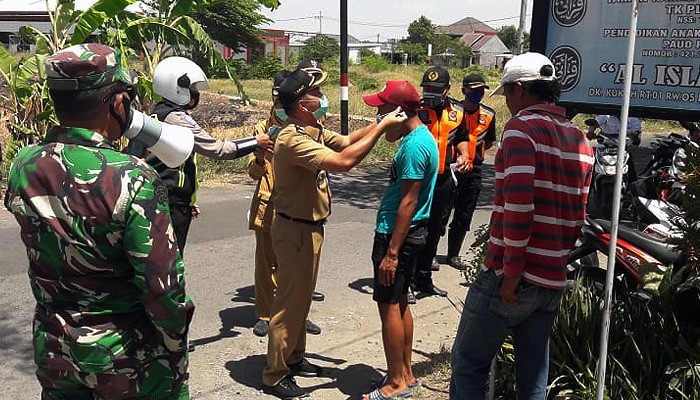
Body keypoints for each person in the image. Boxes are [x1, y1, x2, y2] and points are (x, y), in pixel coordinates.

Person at [3, 43, 194, 399]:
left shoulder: (24, 164)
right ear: (118, 102)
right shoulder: (132, 176)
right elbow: (162, 287)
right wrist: (175, 341)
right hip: (124, 358)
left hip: (55, 350)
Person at [449, 52, 594, 399]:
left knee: (468, 364)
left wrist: (511, 272)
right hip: (550, 278)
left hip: (511, 276)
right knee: (533, 376)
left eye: (508, 94)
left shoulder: (521, 130)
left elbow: (518, 207)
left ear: (518, 89)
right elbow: (577, 217)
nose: (509, 104)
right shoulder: (580, 140)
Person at [261, 68, 407, 399]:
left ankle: (294, 358)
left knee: (301, 300)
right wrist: (383, 126)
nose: (320, 98)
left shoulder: (312, 129)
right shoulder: (292, 138)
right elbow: (343, 161)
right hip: (293, 228)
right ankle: (274, 373)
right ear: (302, 103)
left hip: (308, 228)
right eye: (315, 93)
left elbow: (345, 141)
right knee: (288, 302)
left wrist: (380, 121)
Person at [130, 56, 273, 256]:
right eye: (193, 88)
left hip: (157, 196)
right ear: (178, 87)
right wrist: (255, 142)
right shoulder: (177, 118)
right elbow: (219, 150)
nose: (196, 93)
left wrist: (188, 200)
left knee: (156, 256)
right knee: (170, 261)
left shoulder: (154, 114)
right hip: (170, 202)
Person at [362, 80, 438, 400]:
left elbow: (408, 202)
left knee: (388, 305)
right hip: (408, 234)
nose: (379, 117)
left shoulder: (412, 147)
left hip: (396, 235)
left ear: (399, 111)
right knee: (401, 301)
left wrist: (391, 252)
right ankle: (405, 373)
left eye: (381, 110)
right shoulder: (421, 138)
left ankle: (395, 383)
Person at [247, 69, 322, 338]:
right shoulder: (261, 130)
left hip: (297, 207)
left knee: (299, 270)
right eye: (276, 102)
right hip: (269, 205)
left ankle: (301, 315)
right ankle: (265, 315)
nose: (280, 108)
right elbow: (253, 173)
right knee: (267, 265)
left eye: (283, 102)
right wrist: (257, 157)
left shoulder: (308, 129)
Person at [411, 65, 469, 301]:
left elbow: (463, 138)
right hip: (417, 180)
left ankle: (424, 278)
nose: (430, 92)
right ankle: (407, 282)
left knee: (435, 230)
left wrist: (464, 155)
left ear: (447, 89)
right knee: (415, 231)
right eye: (427, 87)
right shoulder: (414, 109)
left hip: (444, 179)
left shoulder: (458, 112)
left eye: (436, 88)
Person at [446, 73, 497, 269]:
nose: (477, 94)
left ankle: (453, 255)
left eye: (480, 90)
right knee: (441, 213)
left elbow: (490, 141)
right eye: (473, 90)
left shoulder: (489, 114)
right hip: (451, 167)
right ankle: (430, 254)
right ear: (463, 90)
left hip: (474, 169)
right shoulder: (452, 110)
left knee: (464, 214)